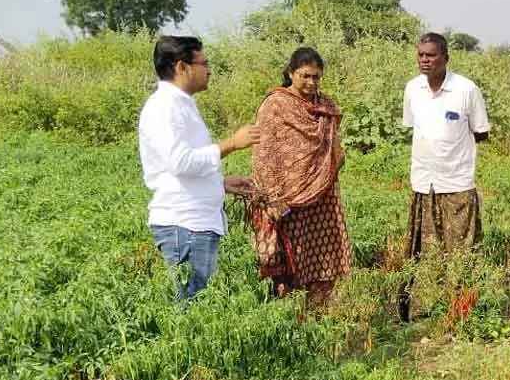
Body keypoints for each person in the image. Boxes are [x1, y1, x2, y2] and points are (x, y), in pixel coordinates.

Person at [139, 36, 258, 303]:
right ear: (182, 67)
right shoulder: (165, 107)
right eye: (204, 63)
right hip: (184, 225)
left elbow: (181, 167)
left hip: (194, 223)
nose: (209, 70)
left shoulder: (181, 104)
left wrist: (221, 184)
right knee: (190, 308)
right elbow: (180, 162)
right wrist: (232, 143)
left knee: (196, 305)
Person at [234, 47, 352, 309]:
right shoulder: (275, 105)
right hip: (287, 197)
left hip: (323, 194)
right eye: (304, 76)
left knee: (323, 251)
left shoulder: (325, 106)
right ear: (290, 73)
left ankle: (318, 312)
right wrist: (271, 196)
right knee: (292, 255)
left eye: (316, 77)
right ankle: (290, 314)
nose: (311, 82)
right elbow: (265, 153)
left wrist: (329, 164)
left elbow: (334, 146)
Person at [402, 32, 491, 257]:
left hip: (456, 181)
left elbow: (481, 132)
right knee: (428, 253)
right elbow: (414, 127)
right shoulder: (413, 88)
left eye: (431, 55)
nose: (424, 60)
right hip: (424, 181)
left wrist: (453, 149)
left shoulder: (466, 89)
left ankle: (460, 282)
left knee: (462, 251)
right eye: (421, 55)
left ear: (445, 58)